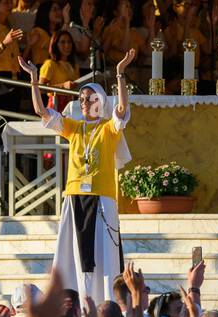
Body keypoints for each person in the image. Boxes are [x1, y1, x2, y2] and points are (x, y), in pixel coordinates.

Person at [21, 48, 135, 303]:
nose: (84, 103)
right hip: (74, 197)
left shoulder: (108, 129)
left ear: (100, 102)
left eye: (90, 98)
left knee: (103, 255)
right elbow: (42, 111)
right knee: (73, 255)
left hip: (102, 198)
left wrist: (120, 74)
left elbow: (122, 108)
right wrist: (34, 79)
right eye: (82, 98)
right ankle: (73, 303)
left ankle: (107, 303)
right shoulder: (73, 128)